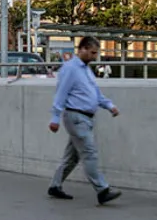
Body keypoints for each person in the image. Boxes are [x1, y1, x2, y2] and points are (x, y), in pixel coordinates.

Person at [47, 36, 121, 205]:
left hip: (85, 118)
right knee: (89, 152)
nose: (95, 57)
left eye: (96, 53)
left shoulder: (86, 69)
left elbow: (94, 93)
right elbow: (61, 93)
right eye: (92, 53)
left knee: (72, 157)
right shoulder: (70, 69)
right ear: (82, 49)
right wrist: (55, 118)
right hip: (76, 117)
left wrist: (109, 105)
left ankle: (55, 186)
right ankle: (102, 190)